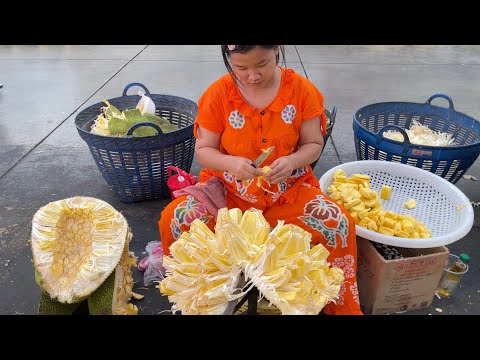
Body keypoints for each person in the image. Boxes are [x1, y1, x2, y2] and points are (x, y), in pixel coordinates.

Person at [158, 45, 362, 315]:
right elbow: (204, 151)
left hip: (287, 190)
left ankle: (340, 306)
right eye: (241, 68)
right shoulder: (218, 94)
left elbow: (313, 143)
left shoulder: (301, 90)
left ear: (276, 50)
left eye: (262, 64)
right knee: (176, 218)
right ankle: (197, 303)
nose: (252, 75)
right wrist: (230, 163)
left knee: (338, 224)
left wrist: (291, 162)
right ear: (229, 59)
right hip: (228, 193)